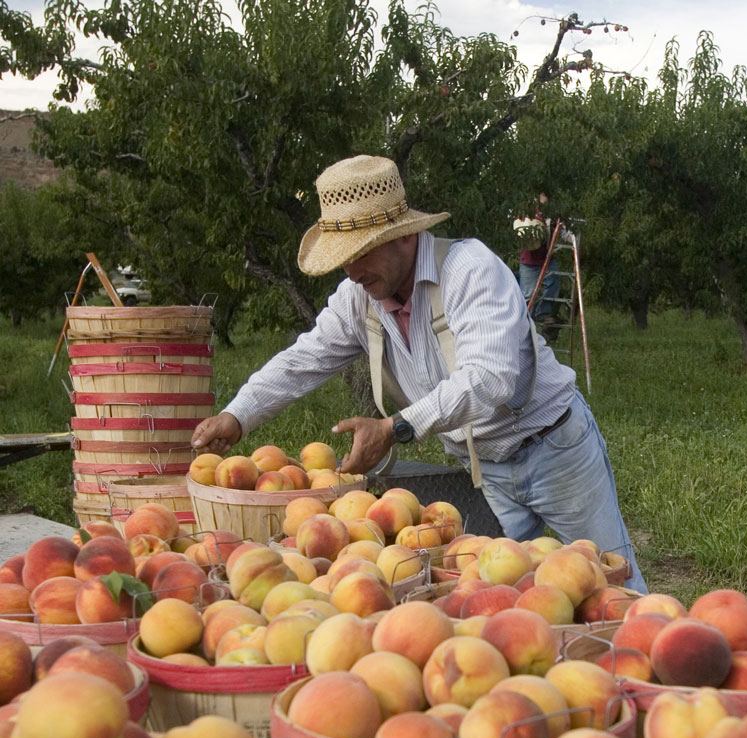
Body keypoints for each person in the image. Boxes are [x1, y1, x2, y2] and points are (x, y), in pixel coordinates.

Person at [191, 155, 646, 592]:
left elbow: (490, 378)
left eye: (362, 252)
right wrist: (238, 415)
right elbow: (303, 359)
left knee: (613, 583)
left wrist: (395, 427)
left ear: (404, 237)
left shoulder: (469, 270)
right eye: (342, 258)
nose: (351, 271)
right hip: (482, 468)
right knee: (510, 599)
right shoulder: (360, 297)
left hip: (553, 448)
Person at [516, 193, 561, 341]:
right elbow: (519, 230)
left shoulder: (553, 212)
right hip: (529, 260)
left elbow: (561, 228)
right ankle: (524, 325)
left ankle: (544, 313)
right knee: (527, 295)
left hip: (547, 257)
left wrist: (569, 238)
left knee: (553, 281)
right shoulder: (526, 209)